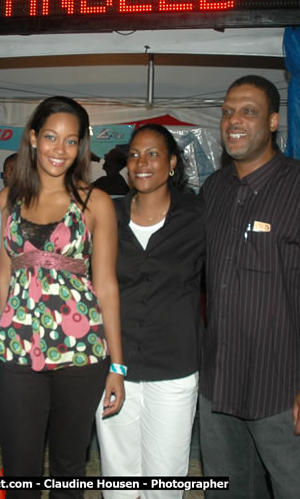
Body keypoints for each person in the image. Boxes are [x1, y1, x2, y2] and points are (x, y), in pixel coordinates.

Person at [199, 75, 300, 498]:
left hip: (282, 388)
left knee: (293, 491)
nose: (234, 120)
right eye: (228, 111)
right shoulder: (214, 190)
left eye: (248, 111)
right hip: (219, 385)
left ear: (272, 121)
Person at [0, 96, 124, 498]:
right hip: (17, 349)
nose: (60, 149)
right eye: (51, 136)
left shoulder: (95, 202)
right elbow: (2, 277)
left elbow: (105, 284)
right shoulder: (5, 201)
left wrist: (117, 366)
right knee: (20, 466)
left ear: (82, 146)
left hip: (82, 351)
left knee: (69, 466)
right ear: (33, 138)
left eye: (71, 141)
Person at [94, 124, 204, 496]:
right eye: (134, 155)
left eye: (152, 154)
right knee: (119, 480)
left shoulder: (199, 215)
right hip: (113, 367)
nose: (141, 163)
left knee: (165, 481)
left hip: (173, 370)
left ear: (172, 162)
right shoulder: (107, 213)